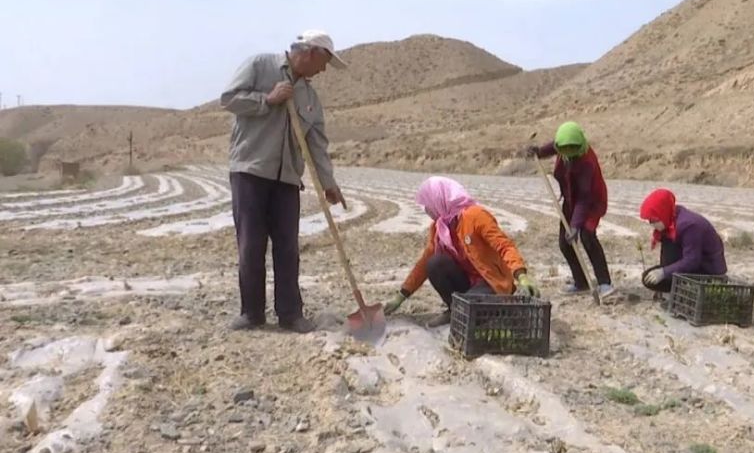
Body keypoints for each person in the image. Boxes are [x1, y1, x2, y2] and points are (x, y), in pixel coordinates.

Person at [220, 29, 348, 333]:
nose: (324, 69)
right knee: (251, 245)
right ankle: (251, 313)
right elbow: (229, 99)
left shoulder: (310, 97)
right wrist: (267, 99)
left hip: (287, 178)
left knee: (288, 248)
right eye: (324, 61)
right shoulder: (259, 65)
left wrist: (328, 183)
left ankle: (290, 314)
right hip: (250, 170)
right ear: (311, 52)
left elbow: (317, 143)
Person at [383, 176, 538, 327]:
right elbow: (424, 263)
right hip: (467, 282)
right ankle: (454, 310)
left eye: (427, 205)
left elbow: (505, 246)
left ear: (440, 200)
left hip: (490, 281)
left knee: (469, 308)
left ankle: (475, 310)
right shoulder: (439, 227)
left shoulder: (476, 216)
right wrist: (402, 295)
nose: (426, 210)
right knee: (435, 263)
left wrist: (521, 275)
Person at [526, 121, 615, 300]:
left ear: (578, 145)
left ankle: (605, 283)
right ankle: (580, 282)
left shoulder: (587, 162)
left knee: (587, 236)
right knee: (564, 242)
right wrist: (539, 152)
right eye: (562, 149)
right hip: (570, 200)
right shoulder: (563, 144)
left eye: (570, 150)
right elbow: (554, 146)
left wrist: (575, 226)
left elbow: (584, 197)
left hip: (590, 202)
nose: (566, 153)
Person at [638, 188, 727, 295]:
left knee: (656, 279)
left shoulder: (690, 225)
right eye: (650, 221)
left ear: (663, 212)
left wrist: (664, 272)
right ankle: (674, 289)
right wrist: (663, 272)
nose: (652, 224)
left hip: (708, 270)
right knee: (648, 277)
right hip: (693, 264)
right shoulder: (671, 218)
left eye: (654, 220)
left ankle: (681, 291)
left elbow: (692, 260)